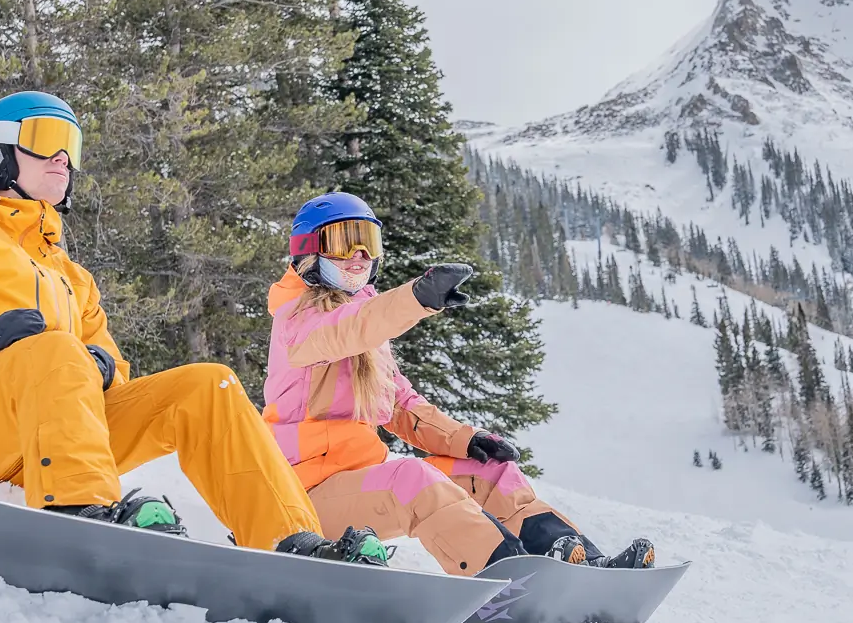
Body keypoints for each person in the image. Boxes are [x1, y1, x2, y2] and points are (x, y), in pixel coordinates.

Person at [0, 91, 384, 564]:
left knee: (207, 385)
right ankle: (81, 511)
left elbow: (111, 371)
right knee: (54, 349)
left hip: (49, 439)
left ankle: (288, 539)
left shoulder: (70, 274)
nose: (62, 158)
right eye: (46, 138)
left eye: (71, 147)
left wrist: (101, 367)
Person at [263, 191, 657, 575]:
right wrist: (416, 297)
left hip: (360, 483)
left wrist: (465, 440)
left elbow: (402, 407)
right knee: (415, 480)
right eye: (343, 243)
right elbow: (351, 327)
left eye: (367, 243)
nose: (359, 257)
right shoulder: (297, 321)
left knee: (488, 472)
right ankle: (505, 576)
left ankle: (581, 562)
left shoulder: (366, 332)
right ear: (309, 252)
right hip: (305, 495)